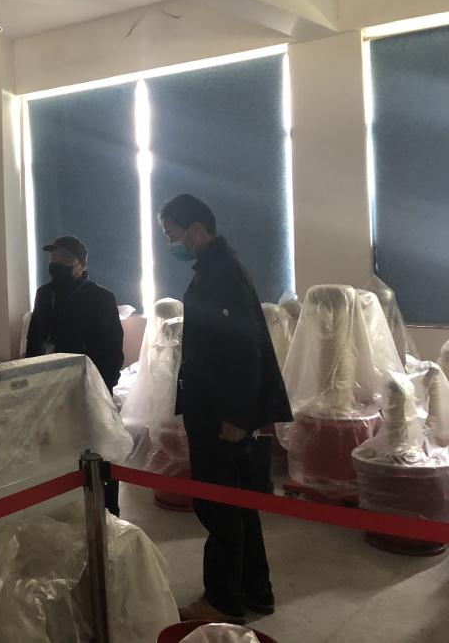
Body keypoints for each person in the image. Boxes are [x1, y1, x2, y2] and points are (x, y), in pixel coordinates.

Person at [158, 194, 293, 624]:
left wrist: (236, 417)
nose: (171, 243)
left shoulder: (221, 274)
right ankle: (256, 590)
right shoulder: (218, 269)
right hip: (218, 409)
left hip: (221, 415)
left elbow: (244, 349)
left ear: (196, 230)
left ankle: (223, 600)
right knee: (239, 505)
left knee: (220, 509)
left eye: (172, 234)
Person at [25, 235, 125, 515]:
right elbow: (34, 338)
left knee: (98, 449)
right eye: (53, 258)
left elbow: (113, 348)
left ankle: (107, 512)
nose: (57, 263)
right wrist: (28, 378)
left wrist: (104, 387)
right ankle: (67, 508)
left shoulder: (100, 298)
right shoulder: (45, 294)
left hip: (91, 387)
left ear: (81, 264)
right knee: (59, 448)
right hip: (50, 386)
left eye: (65, 259)